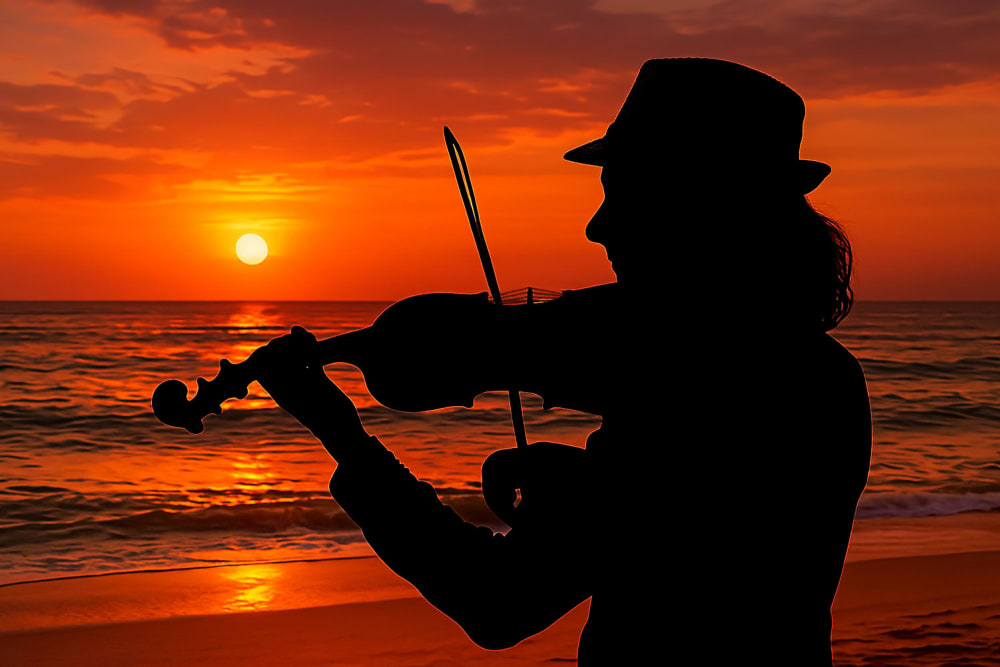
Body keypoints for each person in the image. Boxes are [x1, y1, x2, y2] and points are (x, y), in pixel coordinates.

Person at [257, 58, 873, 665]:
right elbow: (694, 531)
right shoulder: (818, 375)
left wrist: (345, 440)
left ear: (701, 205)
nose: (597, 228)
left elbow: (496, 601)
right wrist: (576, 475)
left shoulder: (699, 393)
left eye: (626, 197)